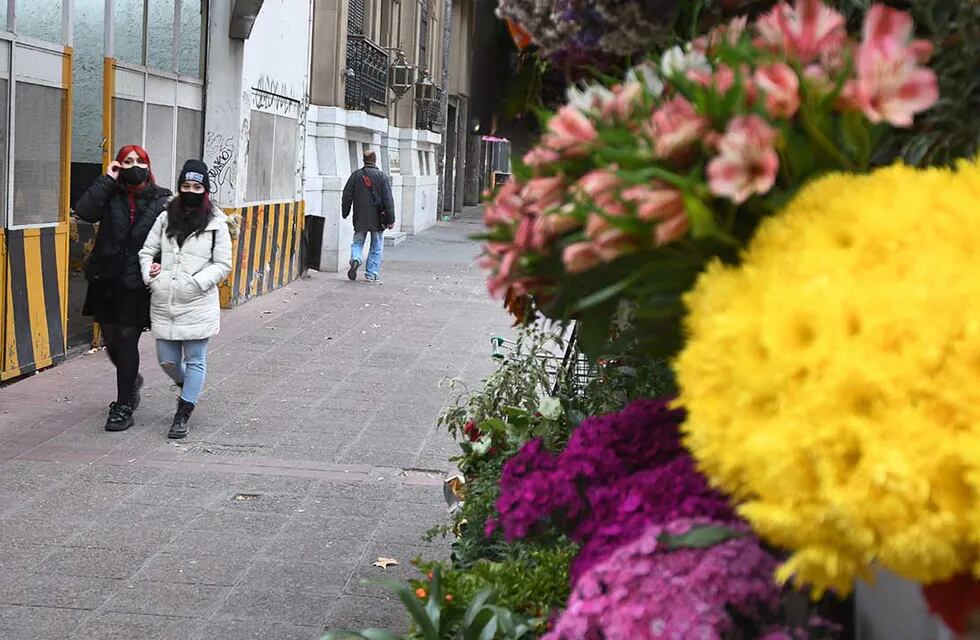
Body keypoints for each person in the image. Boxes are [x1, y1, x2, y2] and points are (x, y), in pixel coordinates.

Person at [75, 145, 172, 432]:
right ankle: (131, 380)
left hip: (137, 282)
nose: (133, 165)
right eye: (126, 161)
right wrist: (107, 178)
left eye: (138, 161)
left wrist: (160, 265)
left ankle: (123, 404)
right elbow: (84, 212)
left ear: (147, 164)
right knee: (111, 340)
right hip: (106, 278)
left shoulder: (163, 199)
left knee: (127, 340)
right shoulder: (110, 194)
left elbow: (172, 238)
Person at [139, 160, 232, 439]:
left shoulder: (217, 223)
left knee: (195, 359)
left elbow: (223, 264)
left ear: (205, 189)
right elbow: (147, 251)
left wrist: (196, 283)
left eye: (197, 186)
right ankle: (187, 385)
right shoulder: (165, 217)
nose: (190, 191)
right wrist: (150, 273)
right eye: (185, 186)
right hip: (165, 300)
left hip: (197, 301)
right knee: (167, 360)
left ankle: (184, 411)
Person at [341, 149, 395, 283]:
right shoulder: (382, 177)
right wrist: (391, 219)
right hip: (378, 218)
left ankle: (356, 259)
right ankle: (371, 274)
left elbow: (347, 195)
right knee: (376, 246)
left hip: (360, 216)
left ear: (364, 160)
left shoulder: (356, 175)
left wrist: (345, 211)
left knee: (358, 242)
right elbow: (388, 199)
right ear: (375, 160)